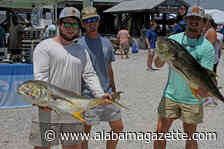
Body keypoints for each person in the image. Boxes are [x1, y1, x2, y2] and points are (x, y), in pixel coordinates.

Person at [32, 7, 111, 149]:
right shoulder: (44, 47)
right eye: (67, 24)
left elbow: (89, 74)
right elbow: (41, 77)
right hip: (48, 107)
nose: (70, 28)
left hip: (73, 108)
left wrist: (100, 94)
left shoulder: (81, 50)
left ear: (79, 27)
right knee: (43, 146)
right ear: (58, 24)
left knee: (73, 146)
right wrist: (42, 100)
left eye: (74, 25)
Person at [153, 6, 214, 149]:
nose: (194, 21)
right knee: (160, 132)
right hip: (171, 95)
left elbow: (207, 74)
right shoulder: (173, 40)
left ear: (204, 22)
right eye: (191, 18)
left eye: (198, 19)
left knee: (190, 137)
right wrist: (161, 56)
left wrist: (207, 90)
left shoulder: (207, 47)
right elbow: (158, 64)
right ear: (186, 20)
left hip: (193, 98)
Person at [79, 6, 123, 149]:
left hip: (107, 94)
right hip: (88, 96)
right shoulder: (78, 45)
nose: (91, 23)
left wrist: (114, 89)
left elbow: (109, 68)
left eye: (94, 20)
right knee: (84, 133)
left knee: (118, 128)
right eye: (87, 21)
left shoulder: (106, 43)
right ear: (83, 24)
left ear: (98, 21)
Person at [203, 14, 219, 107]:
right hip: (209, 58)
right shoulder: (207, 30)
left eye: (204, 21)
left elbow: (211, 45)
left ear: (208, 21)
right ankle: (210, 96)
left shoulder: (211, 31)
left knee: (211, 78)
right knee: (208, 78)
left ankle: (212, 98)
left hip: (211, 59)